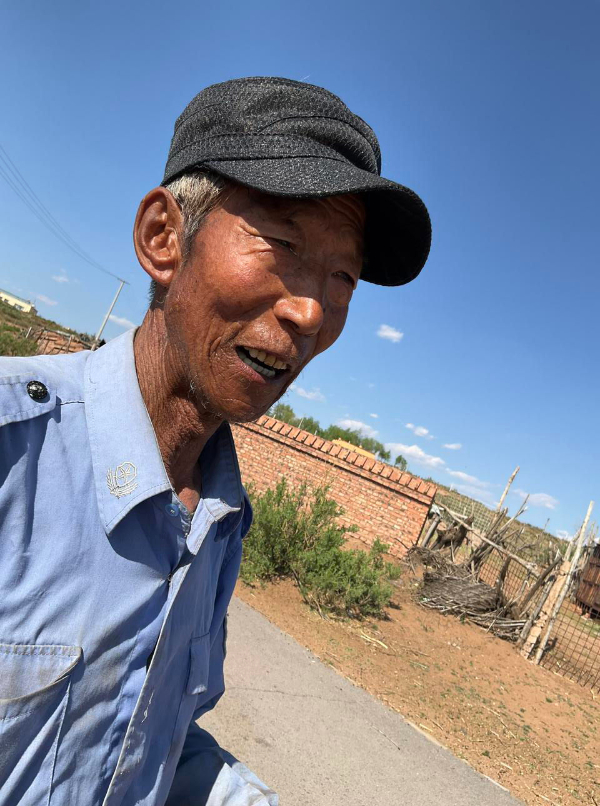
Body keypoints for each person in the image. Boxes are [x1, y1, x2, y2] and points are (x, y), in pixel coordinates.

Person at [0, 77, 431, 806]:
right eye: (282, 241)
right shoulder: (16, 454)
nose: (311, 312)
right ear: (163, 239)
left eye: (343, 277)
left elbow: (146, 739)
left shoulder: (221, 523)